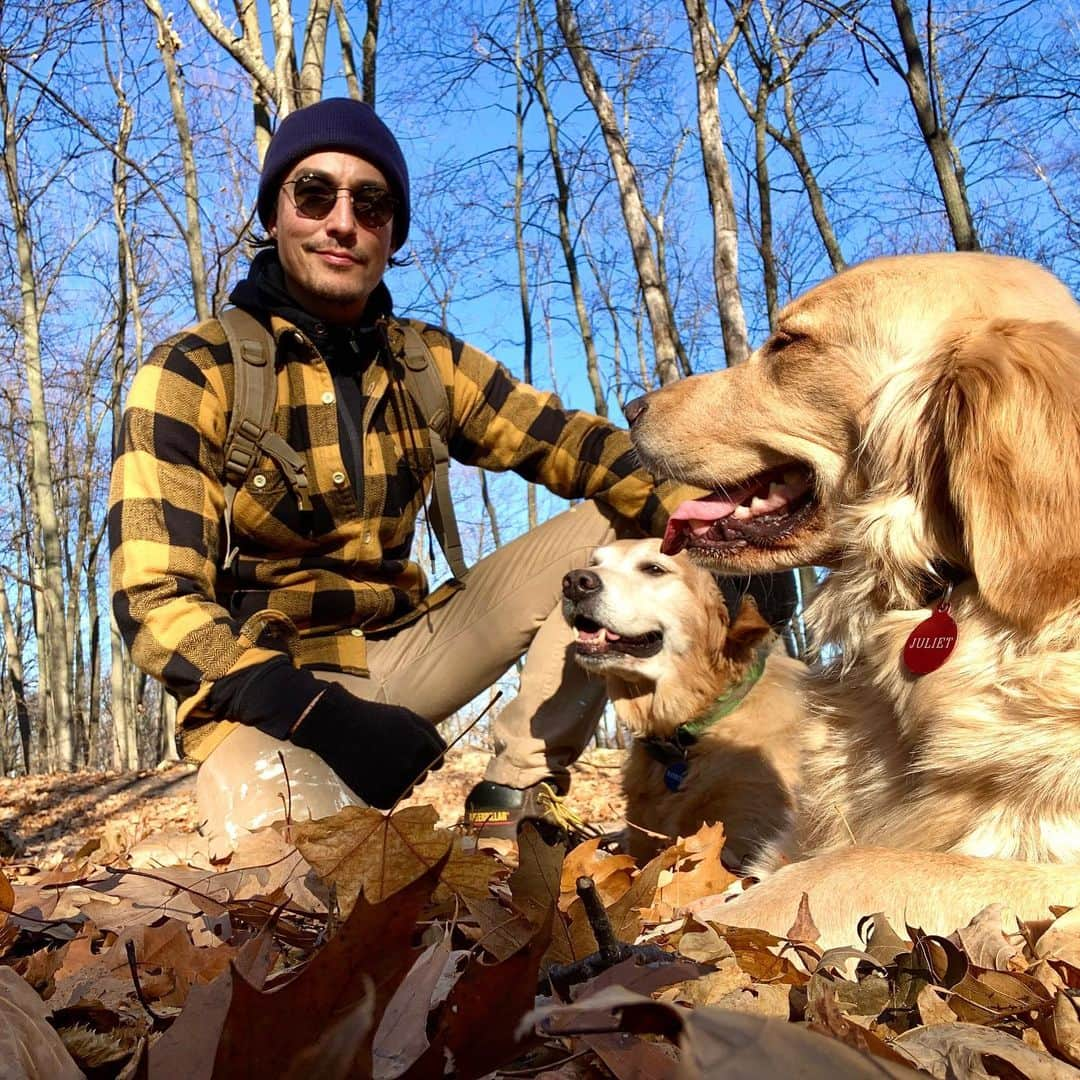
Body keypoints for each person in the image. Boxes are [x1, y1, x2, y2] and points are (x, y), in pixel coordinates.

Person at [108, 97, 700, 851]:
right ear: (274, 213)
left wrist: (713, 521)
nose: (343, 221)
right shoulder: (193, 370)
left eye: (372, 201)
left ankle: (511, 793)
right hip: (267, 689)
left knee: (623, 519)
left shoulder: (427, 363)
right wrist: (315, 716)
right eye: (315, 193)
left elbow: (577, 447)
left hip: (412, 647)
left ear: (393, 231)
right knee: (305, 895)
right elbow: (155, 599)